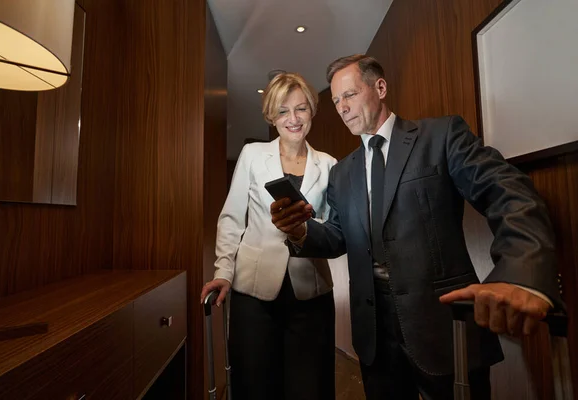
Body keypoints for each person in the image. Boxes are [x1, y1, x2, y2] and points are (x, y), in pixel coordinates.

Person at [270, 55, 563, 400]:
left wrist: (521, 270)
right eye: (335, 101)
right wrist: (301, 231)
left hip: (441, 324)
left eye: (349, 95)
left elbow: (507, 192)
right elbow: (337, 236)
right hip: (376, 336)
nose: (342, 108)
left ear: (379, 88)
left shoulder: (440, 136)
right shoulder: (342, 172)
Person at [200, 72, 337, 400]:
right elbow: (232, 219)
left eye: (301, 109)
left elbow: (335, 230)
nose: (293, 118)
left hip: (312, 295)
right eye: (283, 111)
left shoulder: (331, 165)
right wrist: (223, 273)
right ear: (270, 117)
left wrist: (305, 226)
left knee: (310, 387)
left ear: (312, 112)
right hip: (254, 294)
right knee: (255, 385)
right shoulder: (252, 156)